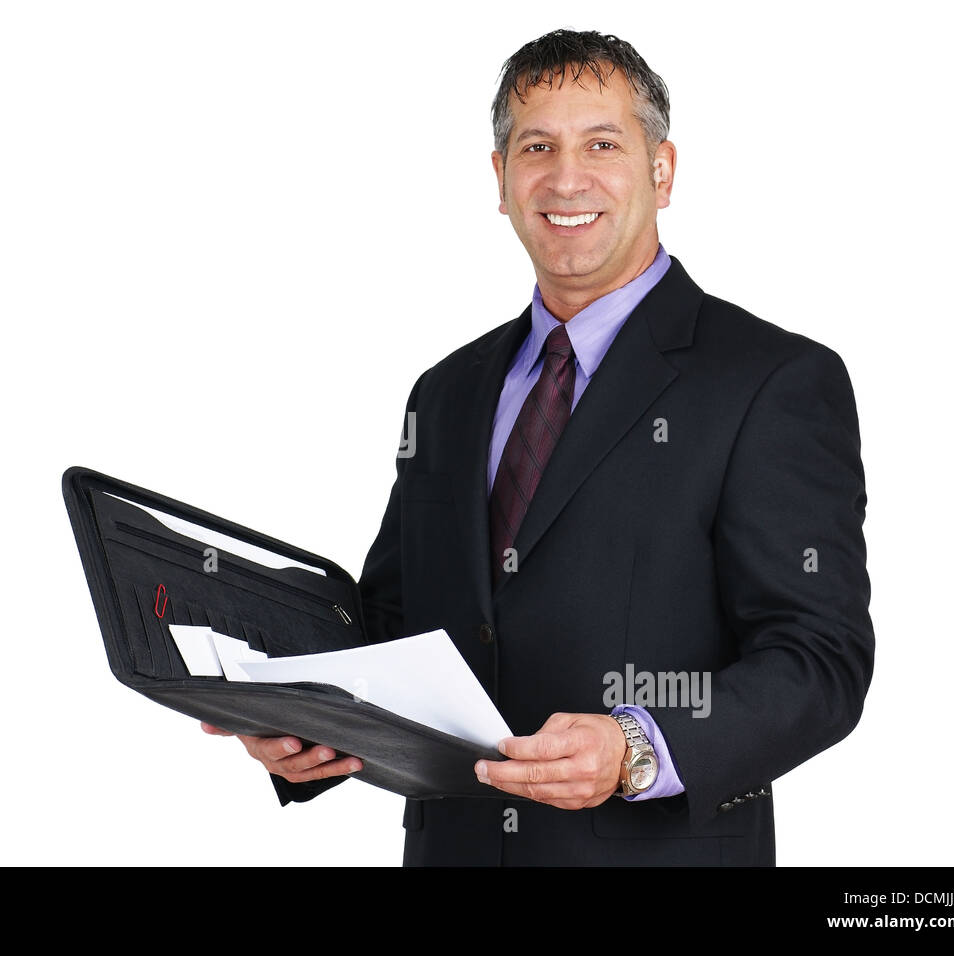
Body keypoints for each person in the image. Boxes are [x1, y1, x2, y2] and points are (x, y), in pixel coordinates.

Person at [202, 28, 873, 866]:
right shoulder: (445, 394)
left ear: (662, 170)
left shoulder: (771, 380)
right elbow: (394, 626)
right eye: (537, 147)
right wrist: (306, 722)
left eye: (602, 143)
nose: (566, 178)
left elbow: (820, 662)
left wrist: (638, 746)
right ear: (501, 178)